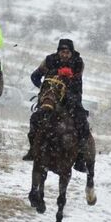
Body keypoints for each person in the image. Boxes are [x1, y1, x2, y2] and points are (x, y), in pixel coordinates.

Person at [22, 39, 90, 173]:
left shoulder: (78, 62)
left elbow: (76, 82)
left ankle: (80, 159)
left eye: (67, 52)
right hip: (51, 97)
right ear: (58, 51)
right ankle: (32, 150)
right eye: (62, 52)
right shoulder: (49, 60)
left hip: (72, 97)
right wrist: (44, 89)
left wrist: (65, 88)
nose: (64, 55)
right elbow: (35, 76)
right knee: (35, 118)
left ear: (71, 52)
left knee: (83, 123)